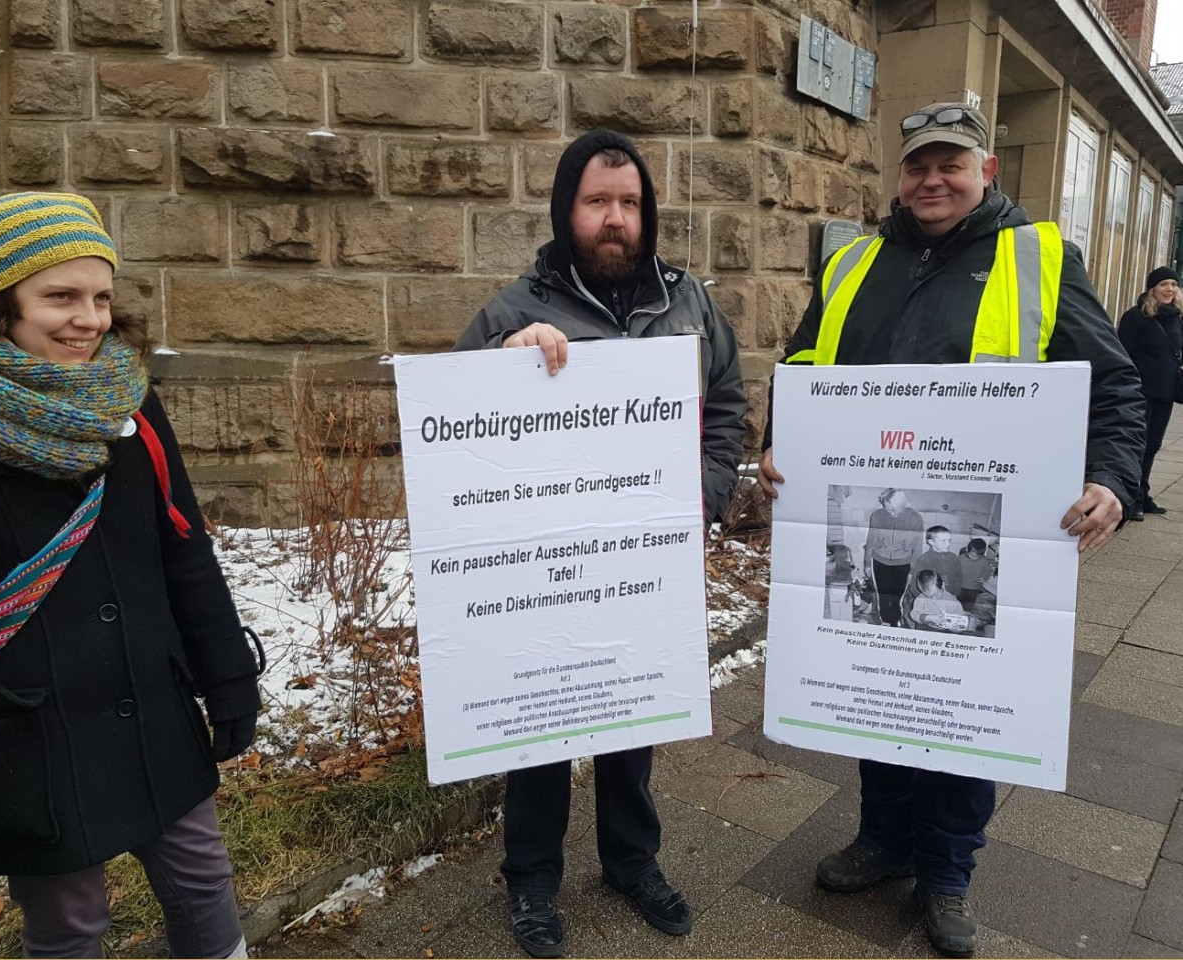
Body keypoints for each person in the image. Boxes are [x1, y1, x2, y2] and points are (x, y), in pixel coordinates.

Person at [757, 103, 1144, 958]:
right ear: (900, 176)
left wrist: (1112, 479)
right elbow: (799, 370)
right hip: (882, 534)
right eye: (918, 166)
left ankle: (946, 873)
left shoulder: (1041, 258)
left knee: (968, 714)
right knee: (878, 685)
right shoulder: (857, 262)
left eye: (952, 165)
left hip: (1004, 534)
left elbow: (1115, 388)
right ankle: (883, 840)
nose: (933, 180)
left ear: (986, 172)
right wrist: (779, 441)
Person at [0, 193, 263, 959]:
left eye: (101, 297)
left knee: (203, 882)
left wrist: (228, 676)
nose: (90, 320)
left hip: (153, 707)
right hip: (25, 735)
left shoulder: (127, 401)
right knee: (71, 924)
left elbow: (183, 550)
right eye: (59, 296)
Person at [454, 129, 746, 958]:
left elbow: (725, 402)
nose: (615, 219)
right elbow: (453, 431)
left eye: (629, 203)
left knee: (634, 715)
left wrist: (707, 492)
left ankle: (632, 861)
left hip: (648, 563)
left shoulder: (688, 302)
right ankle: (533, 881)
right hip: (549, 566)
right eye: (597, 203)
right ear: (565, 210)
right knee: (542, 725)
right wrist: (500, 367)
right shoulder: (514, 311)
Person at [1116, 266, 1182, 520]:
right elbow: (1122, 352)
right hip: (1141, 393)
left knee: (1153, 445)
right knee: (1137, 446)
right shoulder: (1136, 317)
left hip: (1165, 393)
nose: (1169, 289)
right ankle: (1131, 497)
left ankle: (1143, 491)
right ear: (1152, 288)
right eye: (1164, 284)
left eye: (1173, 285)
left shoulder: (1176, 317)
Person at [863, 488, 924, 626]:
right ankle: (884, 621)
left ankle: (896, 621)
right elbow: (870, 540)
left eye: (893, 509)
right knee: (882, 596)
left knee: (897, 597)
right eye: (887, 508)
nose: (890, 513)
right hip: (879, 560)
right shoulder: (877, 516)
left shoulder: (915, 518)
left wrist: (913, 570)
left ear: (903, 505)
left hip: (903, 563)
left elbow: (918, 546)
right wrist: (867, 563)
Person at [910, 526, 963, 602]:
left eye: (949, 540)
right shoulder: (924, 560)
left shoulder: (954, 558)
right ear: (931, 542)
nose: (947, 544)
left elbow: (959, 579)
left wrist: (954, 595)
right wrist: (924, 600)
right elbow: (914, 586)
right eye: (943, 541)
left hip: (949, 599)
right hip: (930, 600)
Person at [957, 538, 993, 607]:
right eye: (972, 556)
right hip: (960, 587)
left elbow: (988, 571)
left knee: (969, 606)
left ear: (982, 555)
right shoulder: (961, 558)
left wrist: (983, 578)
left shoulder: (985, 561)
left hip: (974, 589)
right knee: (958, 604)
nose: (974, 558)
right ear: (968, 551)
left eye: (977, 557)